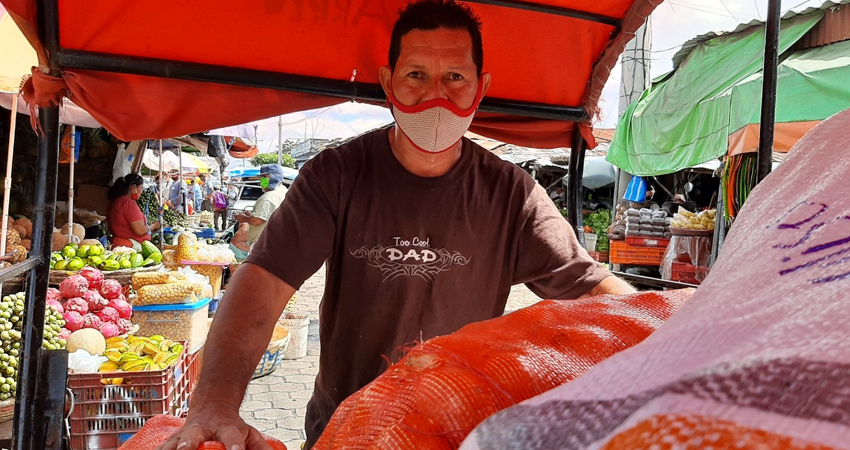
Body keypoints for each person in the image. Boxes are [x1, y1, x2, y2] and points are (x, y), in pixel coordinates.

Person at [160, 2, 634, 450]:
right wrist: (215, 404)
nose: (436, 97)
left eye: (455, 77)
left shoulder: (513, 193)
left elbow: (589, 288)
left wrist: (675, 326)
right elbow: (263, 282)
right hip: (342, 430)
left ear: (480, 87)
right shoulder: (336, 174)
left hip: (454, 433)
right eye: (415, 76)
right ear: (388, 82)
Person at [234, 164, 288, 247]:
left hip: (265, 245)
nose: (262, 180)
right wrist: (251, 216)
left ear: (274, 177)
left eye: (265, 176)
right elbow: (267, 216)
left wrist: (243, 218)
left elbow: (257, 221)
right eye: (261, 177)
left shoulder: (269, 197)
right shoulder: (284, 192)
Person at [106, 173, 160, 248]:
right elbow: (140, 231)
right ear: (134, 187)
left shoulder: (116, 201)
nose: (141, 191)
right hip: (129, 246)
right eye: (141, 188)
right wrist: (153, 226)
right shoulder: (128, 204)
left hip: (120, 244)